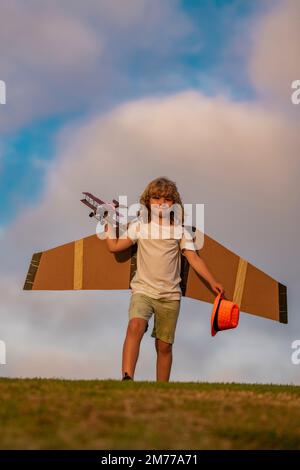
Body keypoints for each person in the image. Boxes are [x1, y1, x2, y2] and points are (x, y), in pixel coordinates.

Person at [105, 177, 224, 382]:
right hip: (142, 290)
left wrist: (213, 281)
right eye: (156, 198)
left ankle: (162, 386)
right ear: (148, 202)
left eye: (167, 199)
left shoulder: (179, 230)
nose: (161, 203)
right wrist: (107, 226)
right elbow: (115, 247)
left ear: (174, 204)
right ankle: (127, 377)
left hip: (170, 296)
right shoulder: (139, 227)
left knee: (164, 346)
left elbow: (193, 258)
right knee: (135, 326)